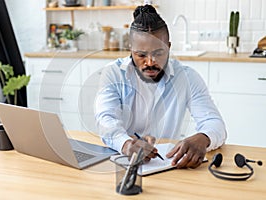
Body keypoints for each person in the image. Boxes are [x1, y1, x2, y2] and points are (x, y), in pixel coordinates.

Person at [94, 5, 226, 168]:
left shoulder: (187, 77)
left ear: (169, 47)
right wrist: (126, 144)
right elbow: (105, 119)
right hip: (121, 164)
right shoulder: (113, 73)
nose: (150, 62)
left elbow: (215, 123)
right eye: (141, 55)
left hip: (167, 167)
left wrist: (203, 138)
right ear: (131, 49)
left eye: (158, 53)